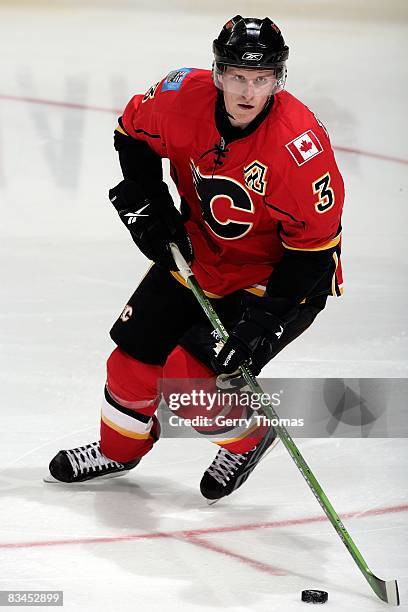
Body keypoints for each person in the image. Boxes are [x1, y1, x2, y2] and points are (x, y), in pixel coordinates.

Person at [46, 16, 344, 501]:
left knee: (189, 381)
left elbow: (312, 256)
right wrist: (153, 207)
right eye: (238, 76)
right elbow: (132, 138)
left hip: (274, 279)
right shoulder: (180, 95)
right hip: (199, 253)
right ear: (219, 72)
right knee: (130, 365)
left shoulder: (299, 150)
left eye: (262, 78)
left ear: (278, 80)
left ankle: (250, 438)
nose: (249, 91)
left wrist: (262, 325)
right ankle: (120, 449)